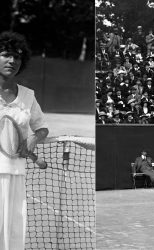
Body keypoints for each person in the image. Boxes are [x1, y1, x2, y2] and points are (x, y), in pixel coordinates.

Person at [0, 31, 49, 250]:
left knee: (13, 233)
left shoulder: (28, 95)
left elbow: (42, 128)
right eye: (6, 54)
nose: (12, 61)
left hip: (17, 173)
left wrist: (33, 140)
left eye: (17, 57)